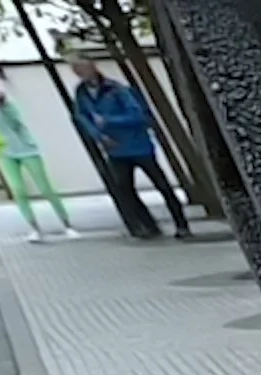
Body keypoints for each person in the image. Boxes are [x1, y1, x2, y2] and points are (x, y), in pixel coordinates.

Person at [67, 61, 184, 240]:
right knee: (124, 189)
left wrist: (109, 121)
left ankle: (181, 224)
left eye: (82, 68)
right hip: (115, 149)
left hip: (138, 146)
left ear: (93, 67)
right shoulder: (82, 92)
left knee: (162, 186)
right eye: (76, 70)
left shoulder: (117, 89)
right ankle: (148, 226)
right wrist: (99, 136)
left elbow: (138, 116)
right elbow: (82, 116)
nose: (80, 73)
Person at [0, 64, 73, 241]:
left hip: (25, 147)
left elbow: (16, 120)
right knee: (18, 190)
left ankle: (67, 224)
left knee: (46, 188)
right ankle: (34, 228)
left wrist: (1, 105)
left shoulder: (0, 97)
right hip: (3, 150)